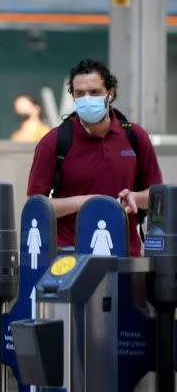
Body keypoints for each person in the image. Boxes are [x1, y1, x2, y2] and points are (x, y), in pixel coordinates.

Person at [26, 58, 163, 257]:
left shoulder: (134, 136)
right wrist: (87, 202)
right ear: (72, 95)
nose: (87, 99)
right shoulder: (54, 142)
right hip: (70, 257)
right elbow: (36, 207)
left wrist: (135, 198)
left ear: (111, 92)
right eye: (79, 93)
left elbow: (158, 196)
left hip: (126, 256)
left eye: (95, 92)